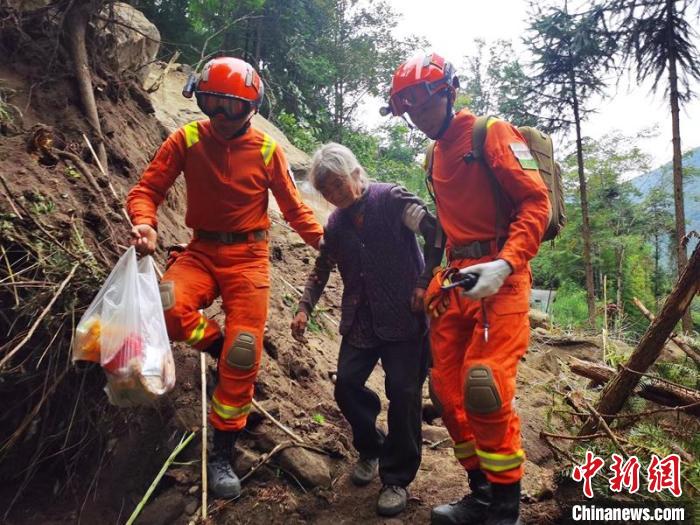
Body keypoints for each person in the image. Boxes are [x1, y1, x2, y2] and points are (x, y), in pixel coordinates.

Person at [127, 56, 323, 499]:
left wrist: (333, 247)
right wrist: (145, 223)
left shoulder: (269, 152)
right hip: (200, 250)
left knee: (245, 347)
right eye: (211, 101)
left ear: (251, 107)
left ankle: (222, 451)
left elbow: (295, 212)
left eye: (230, 106)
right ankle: (222, 351)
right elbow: (147, 190)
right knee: (169, 310)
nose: (219, 114)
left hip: (249, 257)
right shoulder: (188, 138)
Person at [384, 53, 550, 525]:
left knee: (485, 385)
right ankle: (480, 492)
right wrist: (429, 279)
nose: (417, 117)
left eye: (423, 105)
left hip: (502, 276)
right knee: (447, 392)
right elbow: (444, 230)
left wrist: (507, 261)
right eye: (409, 109)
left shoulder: (490, 133)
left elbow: (535, 203)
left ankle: (505, 508)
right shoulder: (434, 154)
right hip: (456, 280)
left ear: (448, 94)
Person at [290, 143, 441, 517]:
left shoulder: (389, 199)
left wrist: (425, 281)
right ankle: (372, 446)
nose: (336, 195)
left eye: (340, 185)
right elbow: (322, 266)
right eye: (328, 191)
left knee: (404, 395)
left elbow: (435, 233)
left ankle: (396, 478)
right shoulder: (336, 224)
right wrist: (305, 307)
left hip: (404, 317)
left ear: (357, 174)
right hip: (360, 320)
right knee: (346, 385)